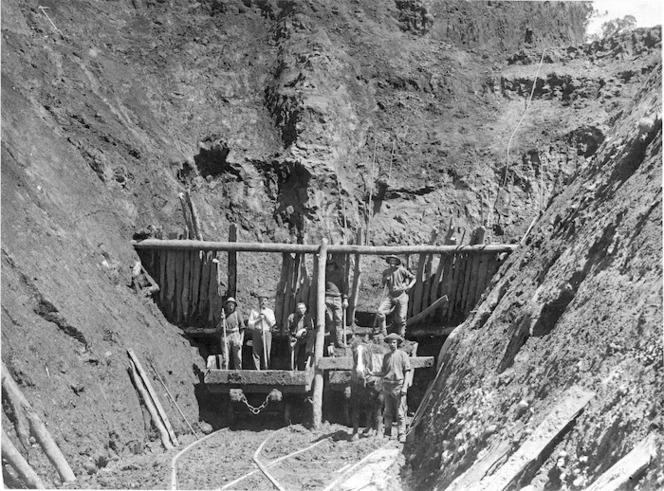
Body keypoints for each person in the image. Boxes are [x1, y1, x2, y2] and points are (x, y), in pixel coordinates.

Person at [372, 333, 411, 443]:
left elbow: (407, 371)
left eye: (394, 342)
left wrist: (405, 387)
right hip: (387, 385)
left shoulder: (402, 355)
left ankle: (401, 434)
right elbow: (384, 372)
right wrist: (373, 373)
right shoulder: (386, 356)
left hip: (398, 385)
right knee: (388, 411)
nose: (392, 345)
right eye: (390, 343)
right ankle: (387, 433)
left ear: (397, 343)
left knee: (400, 412)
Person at [375, 255, 416, 338]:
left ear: (397, 262)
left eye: (394, 261)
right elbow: (383, 284)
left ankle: (401, 336)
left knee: (401, 318)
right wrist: (386, 278)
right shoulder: (386, 271)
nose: (392, 263)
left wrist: (409, 286)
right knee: (380, 311)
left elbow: (413, 278)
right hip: (391, 296)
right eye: (391, 261)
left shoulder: (401, 270)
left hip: (401, 296)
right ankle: (383, 333)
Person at [247, 293, 277, 370]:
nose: (263, 302)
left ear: (267, 302)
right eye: (261, 301)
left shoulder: (270, 312)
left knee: (267, 351)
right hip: (257, 332)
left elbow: (272, 323)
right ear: (258, 301)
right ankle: (257, 369)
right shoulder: (254, 311)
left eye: (265, 301)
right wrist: (258, 319)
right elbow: (250, 324)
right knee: (256, 352)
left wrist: (265, 317)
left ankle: (266, 368)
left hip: (267, 332)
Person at [325, 259, 348, 351]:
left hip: (338, 298)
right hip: (327, 298)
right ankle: (331, 340)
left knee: (338, 320)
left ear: (335, 267)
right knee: (330, 320)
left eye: (332, 266)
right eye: (329, 266)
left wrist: (345, 299)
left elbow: (345, 288)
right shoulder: (325, 276)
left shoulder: (340, 276)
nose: (331, 268)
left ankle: (339, 341)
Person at [286, 302, 315, 370]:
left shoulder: (308, 317)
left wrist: (303, 330)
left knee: (311, 334)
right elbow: (287, 330)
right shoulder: (291, 317)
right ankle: (293, 369)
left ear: (305, 309)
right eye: (299, 308)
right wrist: (291, 338)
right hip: (294, 338)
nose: (300, 310)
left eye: (302, 308)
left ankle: (308, 358)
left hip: (304, 337)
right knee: (294, 356)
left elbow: (311, 328)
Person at [220, 297, 244, 370]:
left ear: (234, 306)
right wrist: (222, 320)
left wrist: (241, 340)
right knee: (225, 358)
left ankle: (238, 373)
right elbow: (219, 328)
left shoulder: (238, 315)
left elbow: (242, 329)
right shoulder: (224, 316)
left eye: (232, 305)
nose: (230, 307)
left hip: (235, 335)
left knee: (238, 357)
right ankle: (225, 373)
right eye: (229, 305)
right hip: (226, 335)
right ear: (226, 306)